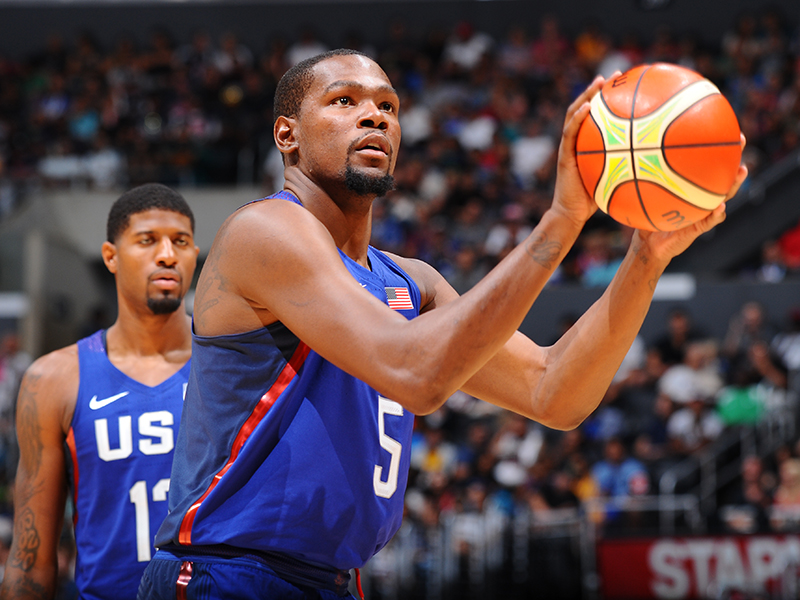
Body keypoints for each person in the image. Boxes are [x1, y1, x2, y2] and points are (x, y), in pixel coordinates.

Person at [140, 49, 747, 599]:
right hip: (228, 572)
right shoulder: (264, 231)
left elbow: (555, 391)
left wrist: (646, 256)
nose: (374, 116)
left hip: (330, 582)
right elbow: (415, 373)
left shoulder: (412, 282)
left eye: (388, 106)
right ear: (287, 136)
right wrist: (562, 220)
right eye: (345, 101)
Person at [0, 183, 199, 600]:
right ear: (110, 256)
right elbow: (30, 559)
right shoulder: (54, 379)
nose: (167, 255)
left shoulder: (233, 364)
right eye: (147, 241)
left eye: (180, 242)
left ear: (194, 255)